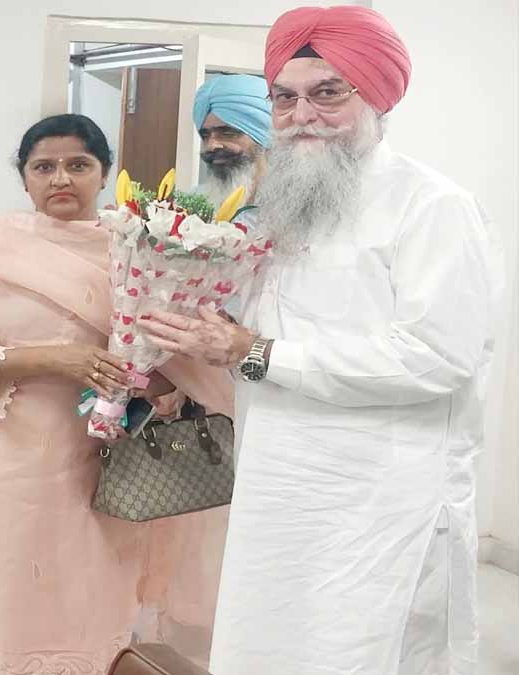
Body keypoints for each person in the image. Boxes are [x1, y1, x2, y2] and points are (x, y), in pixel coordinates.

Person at [140, 6, 502, 674]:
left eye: (328, 93)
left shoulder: (432, 205)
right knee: (270, 643)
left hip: (382, 498)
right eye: (285, 97)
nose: (302, 114)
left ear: (377, 97)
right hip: (278, 481)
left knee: (362, 650)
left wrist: (255, 352)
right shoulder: (288, 205)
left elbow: (437, 356)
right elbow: (255, 332)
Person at [0, 114, 231, 674]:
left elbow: (179, 360)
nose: (60, 178)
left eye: (77, 165)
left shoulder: (146, 250)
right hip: (11, 471)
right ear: (24, 178)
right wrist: (60, 359)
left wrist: (144, 379)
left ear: (105, 173)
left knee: (99, 606)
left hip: (114, 469)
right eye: (44, 166)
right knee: (14, 607)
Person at [192, 74, 271, 205]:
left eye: (227, 133)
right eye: (205, 135)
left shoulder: (290, 208)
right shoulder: (195, 203)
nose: (211, 145)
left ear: (264, 135)